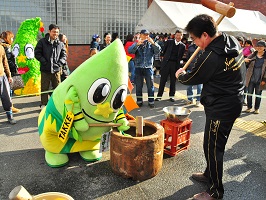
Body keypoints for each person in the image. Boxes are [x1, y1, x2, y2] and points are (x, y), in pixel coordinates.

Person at [175, 14, 246, 200]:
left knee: (213, 148)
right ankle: (209, 174)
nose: (195, 43)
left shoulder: (211, 56)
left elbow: (192, 78)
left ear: (205, 35)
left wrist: (180, 74)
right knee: (213, 144)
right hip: (233, 101)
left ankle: (215, 192)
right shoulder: (230, 40)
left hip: (221, 107)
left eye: (195, 38)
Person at [35, 24, 67, 109]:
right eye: (53, 32)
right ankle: (43, 104)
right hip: (45, 70)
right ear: (49, 31)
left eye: (57, 32)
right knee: (44, 88)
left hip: (56, 71)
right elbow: (37, 53)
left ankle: (57, 104)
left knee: (57, 88)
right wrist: (44, 61)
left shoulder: (60, 44)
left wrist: (59, 63)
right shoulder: (42, 42)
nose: (55, 34)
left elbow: (64, 56)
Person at [128, 29, 161, 108]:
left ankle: (151, 101)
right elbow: (130, 51)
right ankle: (139, 101)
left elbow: (158, 50)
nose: (146, 36)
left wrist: (153, 43)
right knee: (139, 86)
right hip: (138, 67)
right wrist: (137, 44)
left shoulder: (151, 44)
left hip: (148, 67)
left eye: (147, 35)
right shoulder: (137, 43)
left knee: (150, 86)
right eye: (144, 34)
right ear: (140, 35)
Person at [156, 29, 186, 102]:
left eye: (180, 35)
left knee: (173, 81)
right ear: (174, 35)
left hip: (175, 65)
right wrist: (163, 59)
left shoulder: (183, 46)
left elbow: (181, 56)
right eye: (177, 35)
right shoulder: (169, 42)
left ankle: (172, 96)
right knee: (163, 80)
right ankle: (159, 96)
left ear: (182, 36)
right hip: (166, 63)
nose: (178, 37)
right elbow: (163, 51)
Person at [0, 31, 20, 113]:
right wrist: (13, 70)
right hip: (6, 73)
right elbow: (7, 61)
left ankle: (10, 106)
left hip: (4, 72)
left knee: (7, 91)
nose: (12, 39)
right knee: (7, 92)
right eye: (11, 37)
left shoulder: (4, 46)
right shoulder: (6, 47)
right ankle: (10, 107)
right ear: (7, 38)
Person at [245, 40, 266, 114]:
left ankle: (257, 108)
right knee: (249, 93)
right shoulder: (253, 55)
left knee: (258, 95)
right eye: (258, 46)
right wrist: (245, 60)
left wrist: (264, 79)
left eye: (261, 46)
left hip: (260, 79)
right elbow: (245, 61)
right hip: (251, 78)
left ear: (264, 48)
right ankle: (249, 107)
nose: (259, 48)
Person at [0, 43, 16, 124]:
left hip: (2, 76)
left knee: (6, 98)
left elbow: (5, 62)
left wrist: (9, 75)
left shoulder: (1, 48)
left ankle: (10, 116)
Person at [185, 42, 202, 106]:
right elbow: (187, 57)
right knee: (189, 85)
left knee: (199, 86)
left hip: (200, 69)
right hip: (191, 68)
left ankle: (198, 100)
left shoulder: (203, 46)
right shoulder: (190, 47)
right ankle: (190, 99)